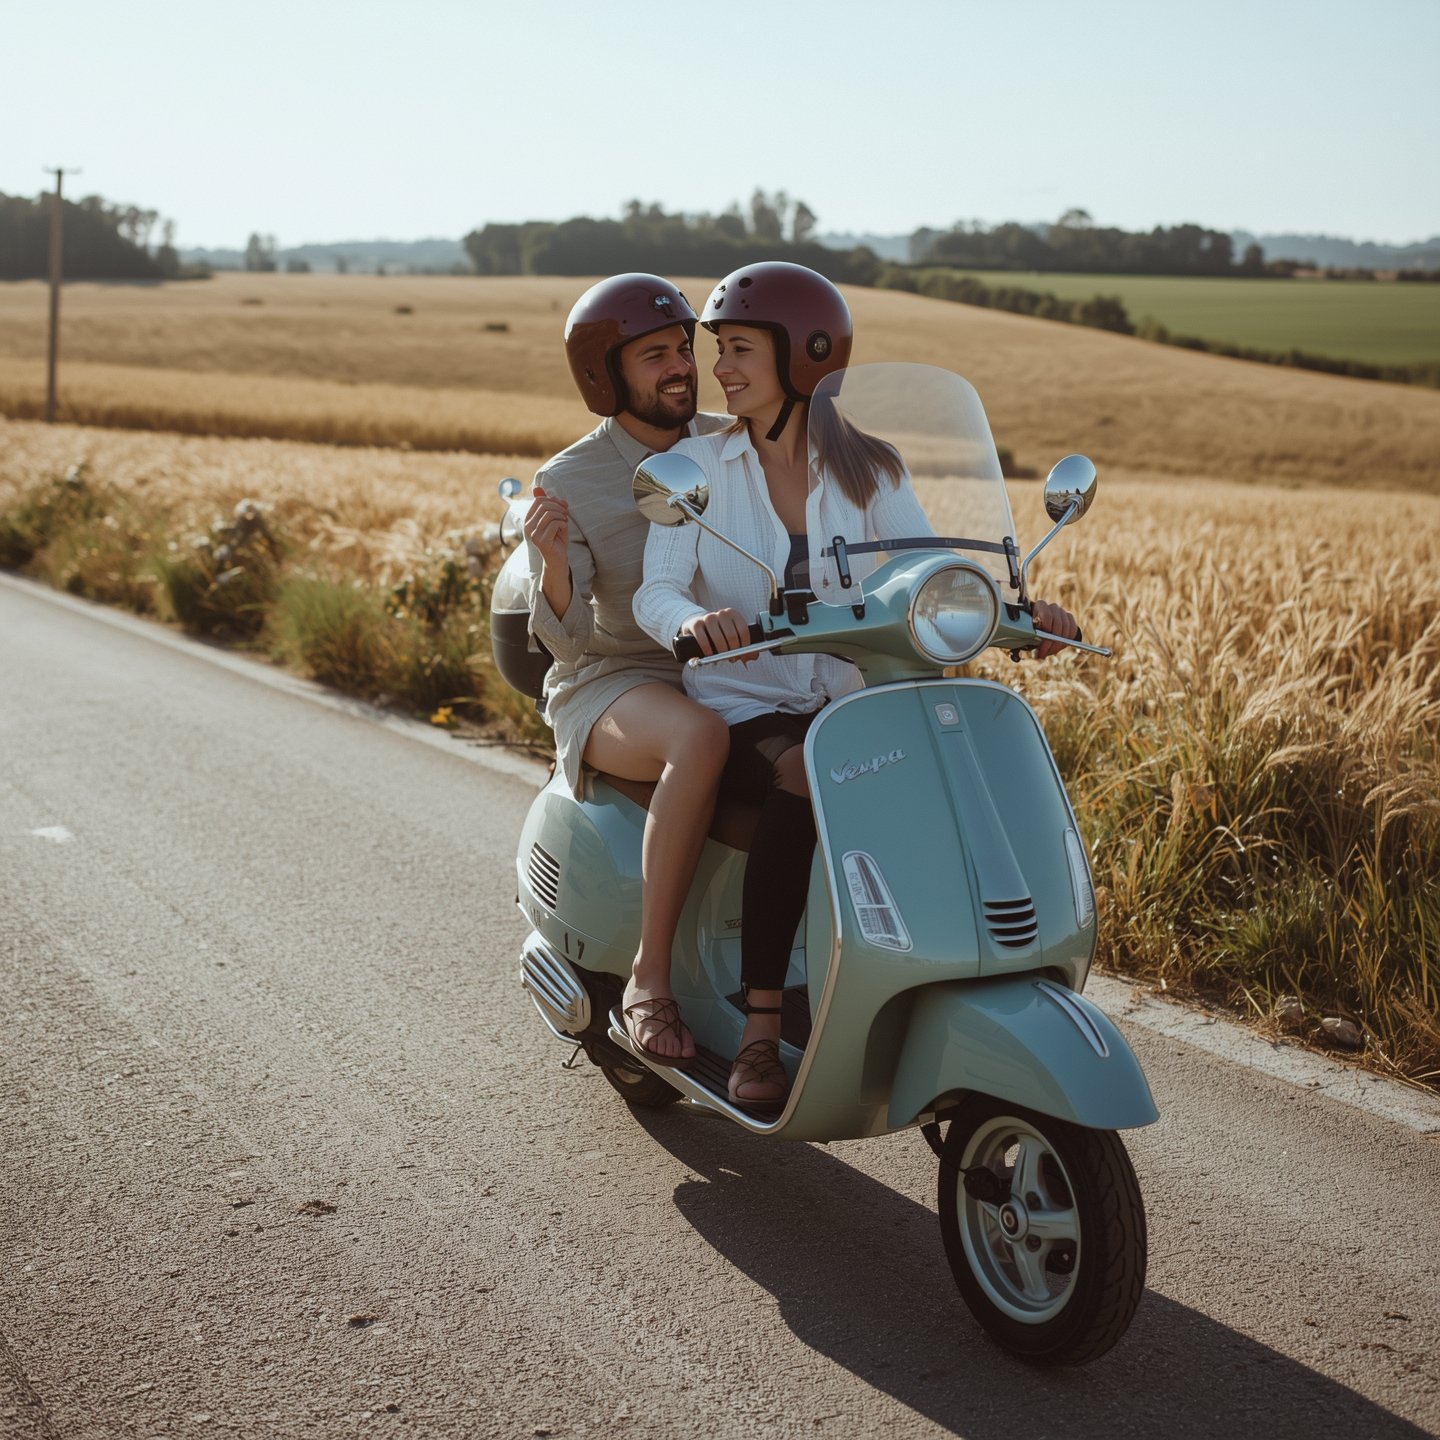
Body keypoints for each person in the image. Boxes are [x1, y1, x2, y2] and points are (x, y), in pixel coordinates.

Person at [634, 261, 1079, 1112]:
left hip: (854, 702)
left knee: (954, 764)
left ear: (804, 356)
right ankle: (763, 1032)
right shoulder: (698, 465)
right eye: (719, 350)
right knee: (807, 769)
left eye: (738, 350)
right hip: (744, 708)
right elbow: (658, 587)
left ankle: (932, 971)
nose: (719, 370)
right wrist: (691, 625)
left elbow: (926, 572)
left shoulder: (870, 469)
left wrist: (1018, 613)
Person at [523, 274, 731, 1065]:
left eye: (684, 349)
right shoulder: (570, 479)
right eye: (654, 356)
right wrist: (551, 564)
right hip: (616, 680)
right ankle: (649, 979)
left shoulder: (731, 440)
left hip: (733, 666)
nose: (680, 366)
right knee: (701, 738)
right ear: (604, 375)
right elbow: (569, 645)